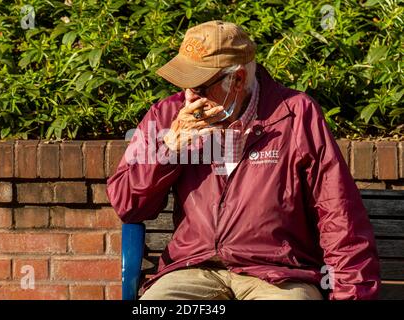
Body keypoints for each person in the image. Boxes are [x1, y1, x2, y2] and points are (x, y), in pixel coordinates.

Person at [106, 20, 380, 300]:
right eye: (183, 83)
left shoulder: (296, 114)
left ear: (236, 79)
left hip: (278, 275)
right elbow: (128, 206)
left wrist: (351, 294)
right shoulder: (167, 115)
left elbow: (337, 211)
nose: (188, 97)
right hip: (191, 269)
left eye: (199, 87)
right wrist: (167, 151)